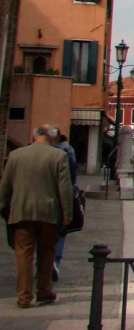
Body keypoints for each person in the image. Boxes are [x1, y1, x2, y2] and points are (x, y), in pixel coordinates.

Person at [0, 124, 73, 309]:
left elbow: (5, 185)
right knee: (47, 252)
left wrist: (2, 206)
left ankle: (24, 297)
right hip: (48, 213)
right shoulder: (59, 156)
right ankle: (44, 292)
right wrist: (67, 214)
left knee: (23, 254)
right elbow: (65, 188)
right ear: (52, 138)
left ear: (34, 137)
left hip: (21, 212)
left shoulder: (16, 155)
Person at [49, 128, 77, 282]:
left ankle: (45, 261)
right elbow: (72, 180)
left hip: (48, 197)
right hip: (62, 198)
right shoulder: (69, 150)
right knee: (60, 231)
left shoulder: (51, 153)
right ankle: (54, 261)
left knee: (44, 232)